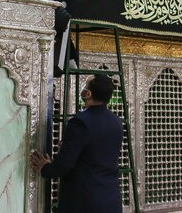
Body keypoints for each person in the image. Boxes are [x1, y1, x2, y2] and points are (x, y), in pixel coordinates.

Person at [30, 74, 123, 213]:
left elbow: (65, 165)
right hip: (110, 199)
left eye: (86, 87)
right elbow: (98, 153)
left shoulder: (81, 122)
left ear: (88, 93)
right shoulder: (117, 122)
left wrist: (46, 168)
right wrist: (71, 147)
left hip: (84, 202)